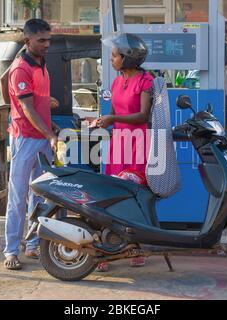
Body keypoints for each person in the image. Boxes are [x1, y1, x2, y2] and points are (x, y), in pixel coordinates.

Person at [91, 33, 153, 272]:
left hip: (137, 144)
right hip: (119, 143)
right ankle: (108, 249)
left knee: (134, 196)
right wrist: (102, 121)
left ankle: (135, 247)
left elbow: (143, 116)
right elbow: (114, 113)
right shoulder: (116, 82)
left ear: (127, 58)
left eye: (114, 56)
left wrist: (112, 118)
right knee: (111, 197)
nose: (111, 60)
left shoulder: (145, 81)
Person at [3, 19, 59, 271]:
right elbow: (26, 108)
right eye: (42, 40)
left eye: (48, 39)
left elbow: (34, 101)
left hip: (42, 138)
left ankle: (33, 244)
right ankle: (11, 251)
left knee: (40, 195)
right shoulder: (20, 69)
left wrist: (48, 110)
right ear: (28, 41)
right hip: (25, 139)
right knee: (18, 197)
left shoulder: (40, 62)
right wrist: (49, 135)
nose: (47, 44)